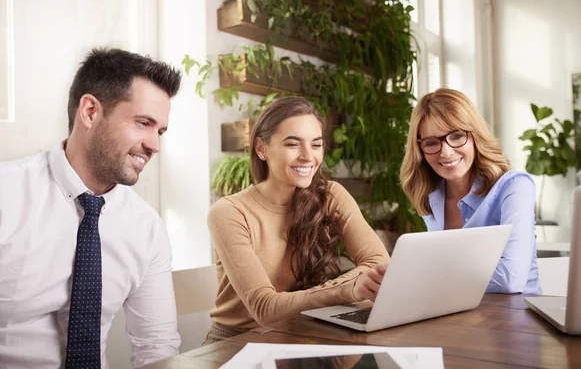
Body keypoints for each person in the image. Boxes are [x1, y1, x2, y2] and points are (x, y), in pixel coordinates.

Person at [0, 48, 182, 368]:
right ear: (89, 112)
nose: (155, 145)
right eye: (143, 123)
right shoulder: (7, 193)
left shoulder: (146, 227)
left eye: (160, 131)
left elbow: (157, 345)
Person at [205, 96, 390, 344]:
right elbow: (265, 308)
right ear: (261, 148)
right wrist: (350, 287)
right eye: (293, 144)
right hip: (240, 342)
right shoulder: (229, 212)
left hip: (307, 332)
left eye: (316, 145)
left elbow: (378, 263)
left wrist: (355, 284)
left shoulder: (330, 195)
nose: (307, 156)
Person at [400, 88, 542, 295]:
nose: (446, 152)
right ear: (420, 149)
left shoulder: (515, 186)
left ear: (475, 135)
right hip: (459, 315)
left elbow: (510, 279)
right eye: (431, 142)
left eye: (456, 136)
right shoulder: (430, 195)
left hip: (518, 319)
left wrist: (426, 272)